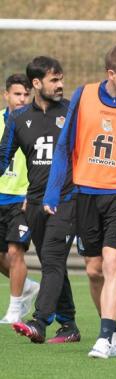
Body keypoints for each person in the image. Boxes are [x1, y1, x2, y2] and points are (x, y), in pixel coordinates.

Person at [44, 45, 116, 358]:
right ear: (112, 74)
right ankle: (113, 328)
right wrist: (54, 190)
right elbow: (65, 144)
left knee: (112, 261)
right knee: (94, 270)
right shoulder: (84, 95)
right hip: (86, 193)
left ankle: (105, 336)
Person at [2, 59, 83, 344]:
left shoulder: (74, 112)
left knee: (52, 258)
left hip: (68, 199)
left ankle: (39, 322)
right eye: (53, 80)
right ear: (36, 84)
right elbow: (3, 158)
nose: (60, 85)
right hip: (34, 203)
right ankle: (70, 325)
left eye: (61, 79)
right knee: (52, 262)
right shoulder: (18, 118)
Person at [0, 73, 39, 324]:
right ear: (6, 95)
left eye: (26, 94)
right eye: (17, 94)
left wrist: (33, 193)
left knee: (16, 252)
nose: (22, 99)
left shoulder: (36, 123)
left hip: (22, 199)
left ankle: (14, 309)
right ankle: (27, 286)